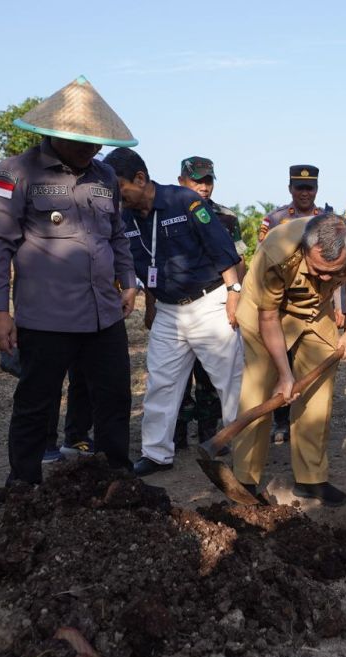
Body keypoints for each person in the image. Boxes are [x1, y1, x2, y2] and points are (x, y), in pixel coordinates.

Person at [0, 76, 137, 485]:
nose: (91, 150)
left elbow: (117, 235)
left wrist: (130, 281)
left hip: (104, 313)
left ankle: (116, 480)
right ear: (55, 133)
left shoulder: (104, 177)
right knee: (37, 402)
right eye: (82, 141)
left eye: (97, 142)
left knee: (115, 397)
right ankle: (24, 484)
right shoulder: (14, 172)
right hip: (46, 316)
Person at [102, 147, 243, 477]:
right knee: (161, 382)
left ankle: (245, 449)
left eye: (120, 189)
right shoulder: (124, 218)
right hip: (168, 310)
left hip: (210, 303)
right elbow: (137, 264)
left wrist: (234, 294)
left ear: (140, 179)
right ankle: (156, 453)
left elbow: (222, 250)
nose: (117, 197)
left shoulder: (184, 201)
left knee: (231, 382)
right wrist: (145, 301)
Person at [229, 213, 346, 506]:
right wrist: (284, 374)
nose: (328, 277)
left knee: (318, 394)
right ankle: (244, 480)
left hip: (317, 309)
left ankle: (311, 479)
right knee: (259, 389)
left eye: (334, 271)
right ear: (306, 250)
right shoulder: (278, 253)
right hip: (266, 311)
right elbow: (268, 317)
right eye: (320, 270)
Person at [174, 156, 247, 446]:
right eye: (197, 181)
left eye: (208, 180)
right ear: (182, 181)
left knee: (210, 375)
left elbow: (238, 259)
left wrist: (236, 296)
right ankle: (176, 436)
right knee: (176, 377)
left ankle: (209, 434)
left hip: (216, 301)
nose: (204, 187)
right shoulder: (168, 213)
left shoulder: (226, 217)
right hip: (177, 305)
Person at [260, 165, 326, 445]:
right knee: (281, 364)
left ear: (316, 189)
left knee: (312, 364)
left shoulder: (327, 219)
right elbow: (262, 261)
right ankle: (281, 421)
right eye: (299, 187)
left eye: (309, 187)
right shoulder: (274, 220)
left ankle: (308, 424)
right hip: (281, 305)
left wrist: (345, 310)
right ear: (290, 189)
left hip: (317, 305)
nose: (304, 192)